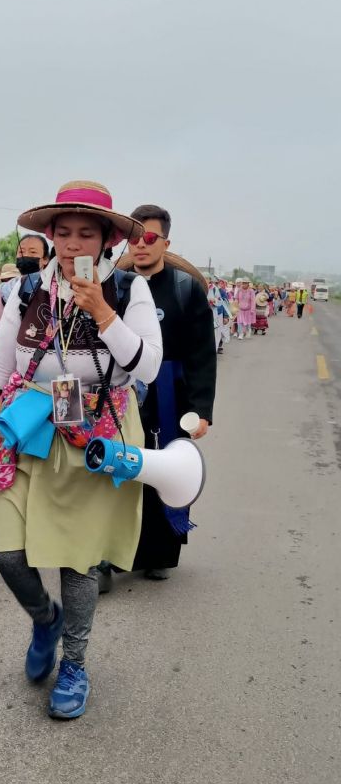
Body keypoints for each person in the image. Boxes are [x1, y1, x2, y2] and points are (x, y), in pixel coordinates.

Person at [0, 180, 162, 721]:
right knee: (5, 551)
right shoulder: (26, 291)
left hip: (99, 433)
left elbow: (146, 367)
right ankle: (43, 619)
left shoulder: (127, 290)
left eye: (86, 234)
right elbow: (0, 364)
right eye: (64, 233)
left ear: (107, 241)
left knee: (77, 561)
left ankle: (74, 663)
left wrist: (103, 314)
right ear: (49, 236)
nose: (74, 245)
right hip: (32, 429)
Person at [122, 204, 216, 586]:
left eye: (149, 238)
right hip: (123, 393)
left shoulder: (185, 289)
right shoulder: (116, 285)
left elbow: (202, 354)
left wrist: (201, 408)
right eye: (134, 238)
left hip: (169, 396)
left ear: (165, 242)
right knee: (123, 467)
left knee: (166, 470)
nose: (141, 245)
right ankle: (113, 553)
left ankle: (160, 553)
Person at [0, 234, 51, 340]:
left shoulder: (54, 289)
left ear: (45, 259)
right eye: (21, 252)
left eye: (33, 252)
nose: (25, 255)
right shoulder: (4, 291)